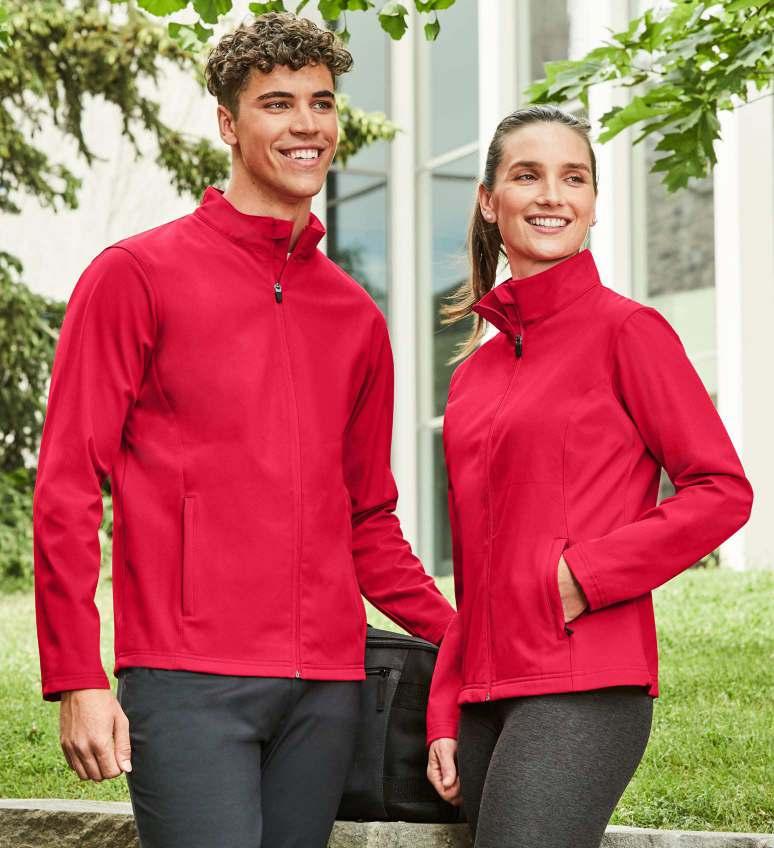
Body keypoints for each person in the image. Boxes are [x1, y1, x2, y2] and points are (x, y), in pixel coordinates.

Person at [33, 13, 454, 848]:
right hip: (188, 679)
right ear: (228, 124)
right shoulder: (135, 276)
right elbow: (69, 484)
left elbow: (367, 520)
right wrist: (77, 674)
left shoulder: (355, 318)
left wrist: (466, 637)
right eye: (277, 103)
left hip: (327, 688)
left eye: (321, 103)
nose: (307, 125)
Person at [425, 105, 753, 848]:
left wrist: (588, 573)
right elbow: (475, 563)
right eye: (527, 176)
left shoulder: (628, 332)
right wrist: (446, 702)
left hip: (585, 681)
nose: (552, 195)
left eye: (573, 178)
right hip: (485, 697)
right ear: (489, 200)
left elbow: (722, 491)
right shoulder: (472, 376)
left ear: (594, 204)